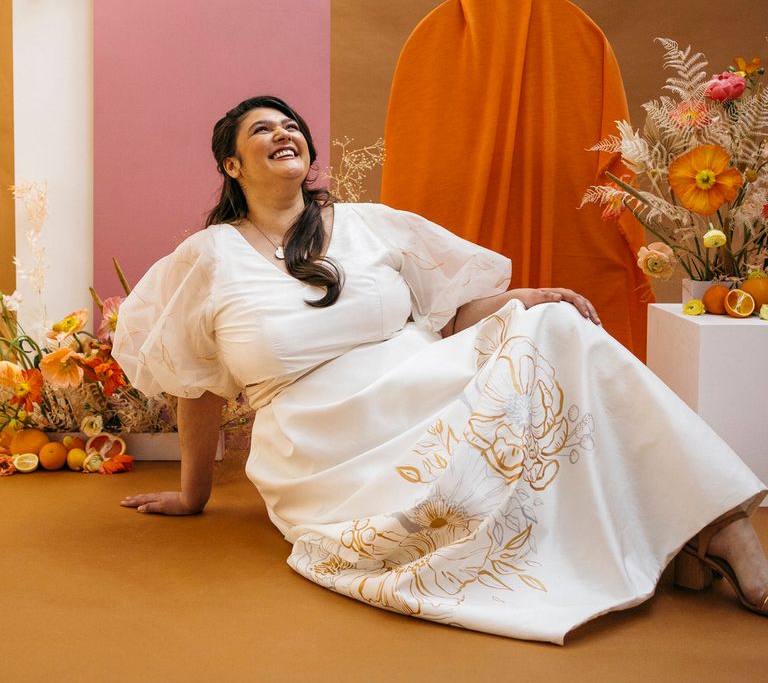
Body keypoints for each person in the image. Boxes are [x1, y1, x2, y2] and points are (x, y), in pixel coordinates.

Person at [113, 96, 768, 644]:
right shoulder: (207, 258)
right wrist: (193, 494)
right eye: (263, 128)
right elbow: (194, 385)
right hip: (322, 445)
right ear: (232, 163)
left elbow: (450, 315)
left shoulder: (370, 226)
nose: (284, 132)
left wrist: (529, 298)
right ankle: (673, 535)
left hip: (424, 384)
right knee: (448, 512)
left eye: (292, 125)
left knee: (556, 326)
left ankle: (723, 525)